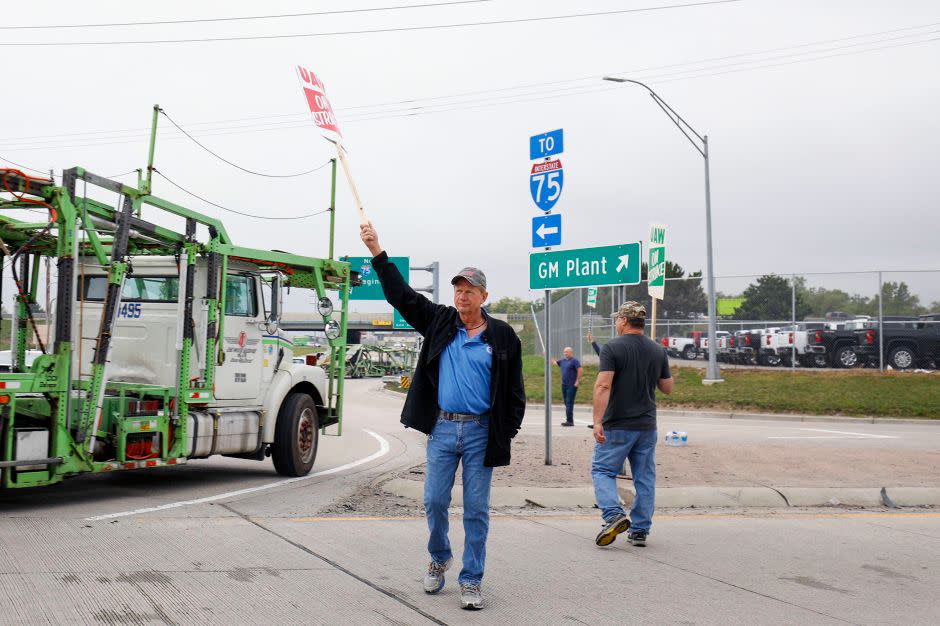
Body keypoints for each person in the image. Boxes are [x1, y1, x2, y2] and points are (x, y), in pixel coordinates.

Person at [360, 221, 526, 611]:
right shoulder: (439, 321)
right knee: (434, 501)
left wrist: (508, 430)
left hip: (482, 431)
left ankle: (471, 580)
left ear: (484, 295)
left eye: (469, 291)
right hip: (443, 429)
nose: (461, 296)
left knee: (476, 510)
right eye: (457, 290)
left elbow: (516, 392)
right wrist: (376, 250)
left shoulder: (501, 337)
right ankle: (439, 557)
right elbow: (401, 295)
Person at [591, 301, 674, 548]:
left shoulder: (612, 348)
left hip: (617, 424)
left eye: (618, 319)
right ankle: (639, 531)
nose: (617, 322)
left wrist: (597, 421)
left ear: (624, 321)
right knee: (645, 478)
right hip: (647, 426)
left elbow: (603, 385)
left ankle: (613, 515)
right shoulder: (658, 350)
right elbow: (667, 388)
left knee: (602, 471)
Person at [551, 347, 582, 426]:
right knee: (566, 402)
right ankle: (569, 419)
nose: (565, 353)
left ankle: (569, 421)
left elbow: (580, 370)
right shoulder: (562, 361)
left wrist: (577, 381)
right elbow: (554, 363)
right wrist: (546, 355)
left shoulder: (574, 361)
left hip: (572, 385)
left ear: (571, 352)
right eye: (564, 352)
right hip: (564, 385)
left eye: (567, 352)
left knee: (569, 403)